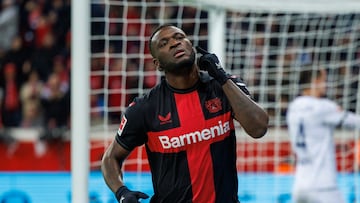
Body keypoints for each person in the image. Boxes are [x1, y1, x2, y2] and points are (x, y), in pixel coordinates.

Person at [101, 24, 269, 203]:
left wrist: (221, 76)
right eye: (164, 43)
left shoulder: (224, 87)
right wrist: (121, 192)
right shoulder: (145, 108)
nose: (174, 43)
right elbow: (110, 158)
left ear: (191, 45)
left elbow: (259, 128)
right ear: (157, 64)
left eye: (179, 37)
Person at [286, 68, 360, 203]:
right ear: (315, 82)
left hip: (300, 186)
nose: (326, 85)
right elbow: (355, 122)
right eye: (324, 81)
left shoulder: (293, 107)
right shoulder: (323, 107)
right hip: (323, 187)